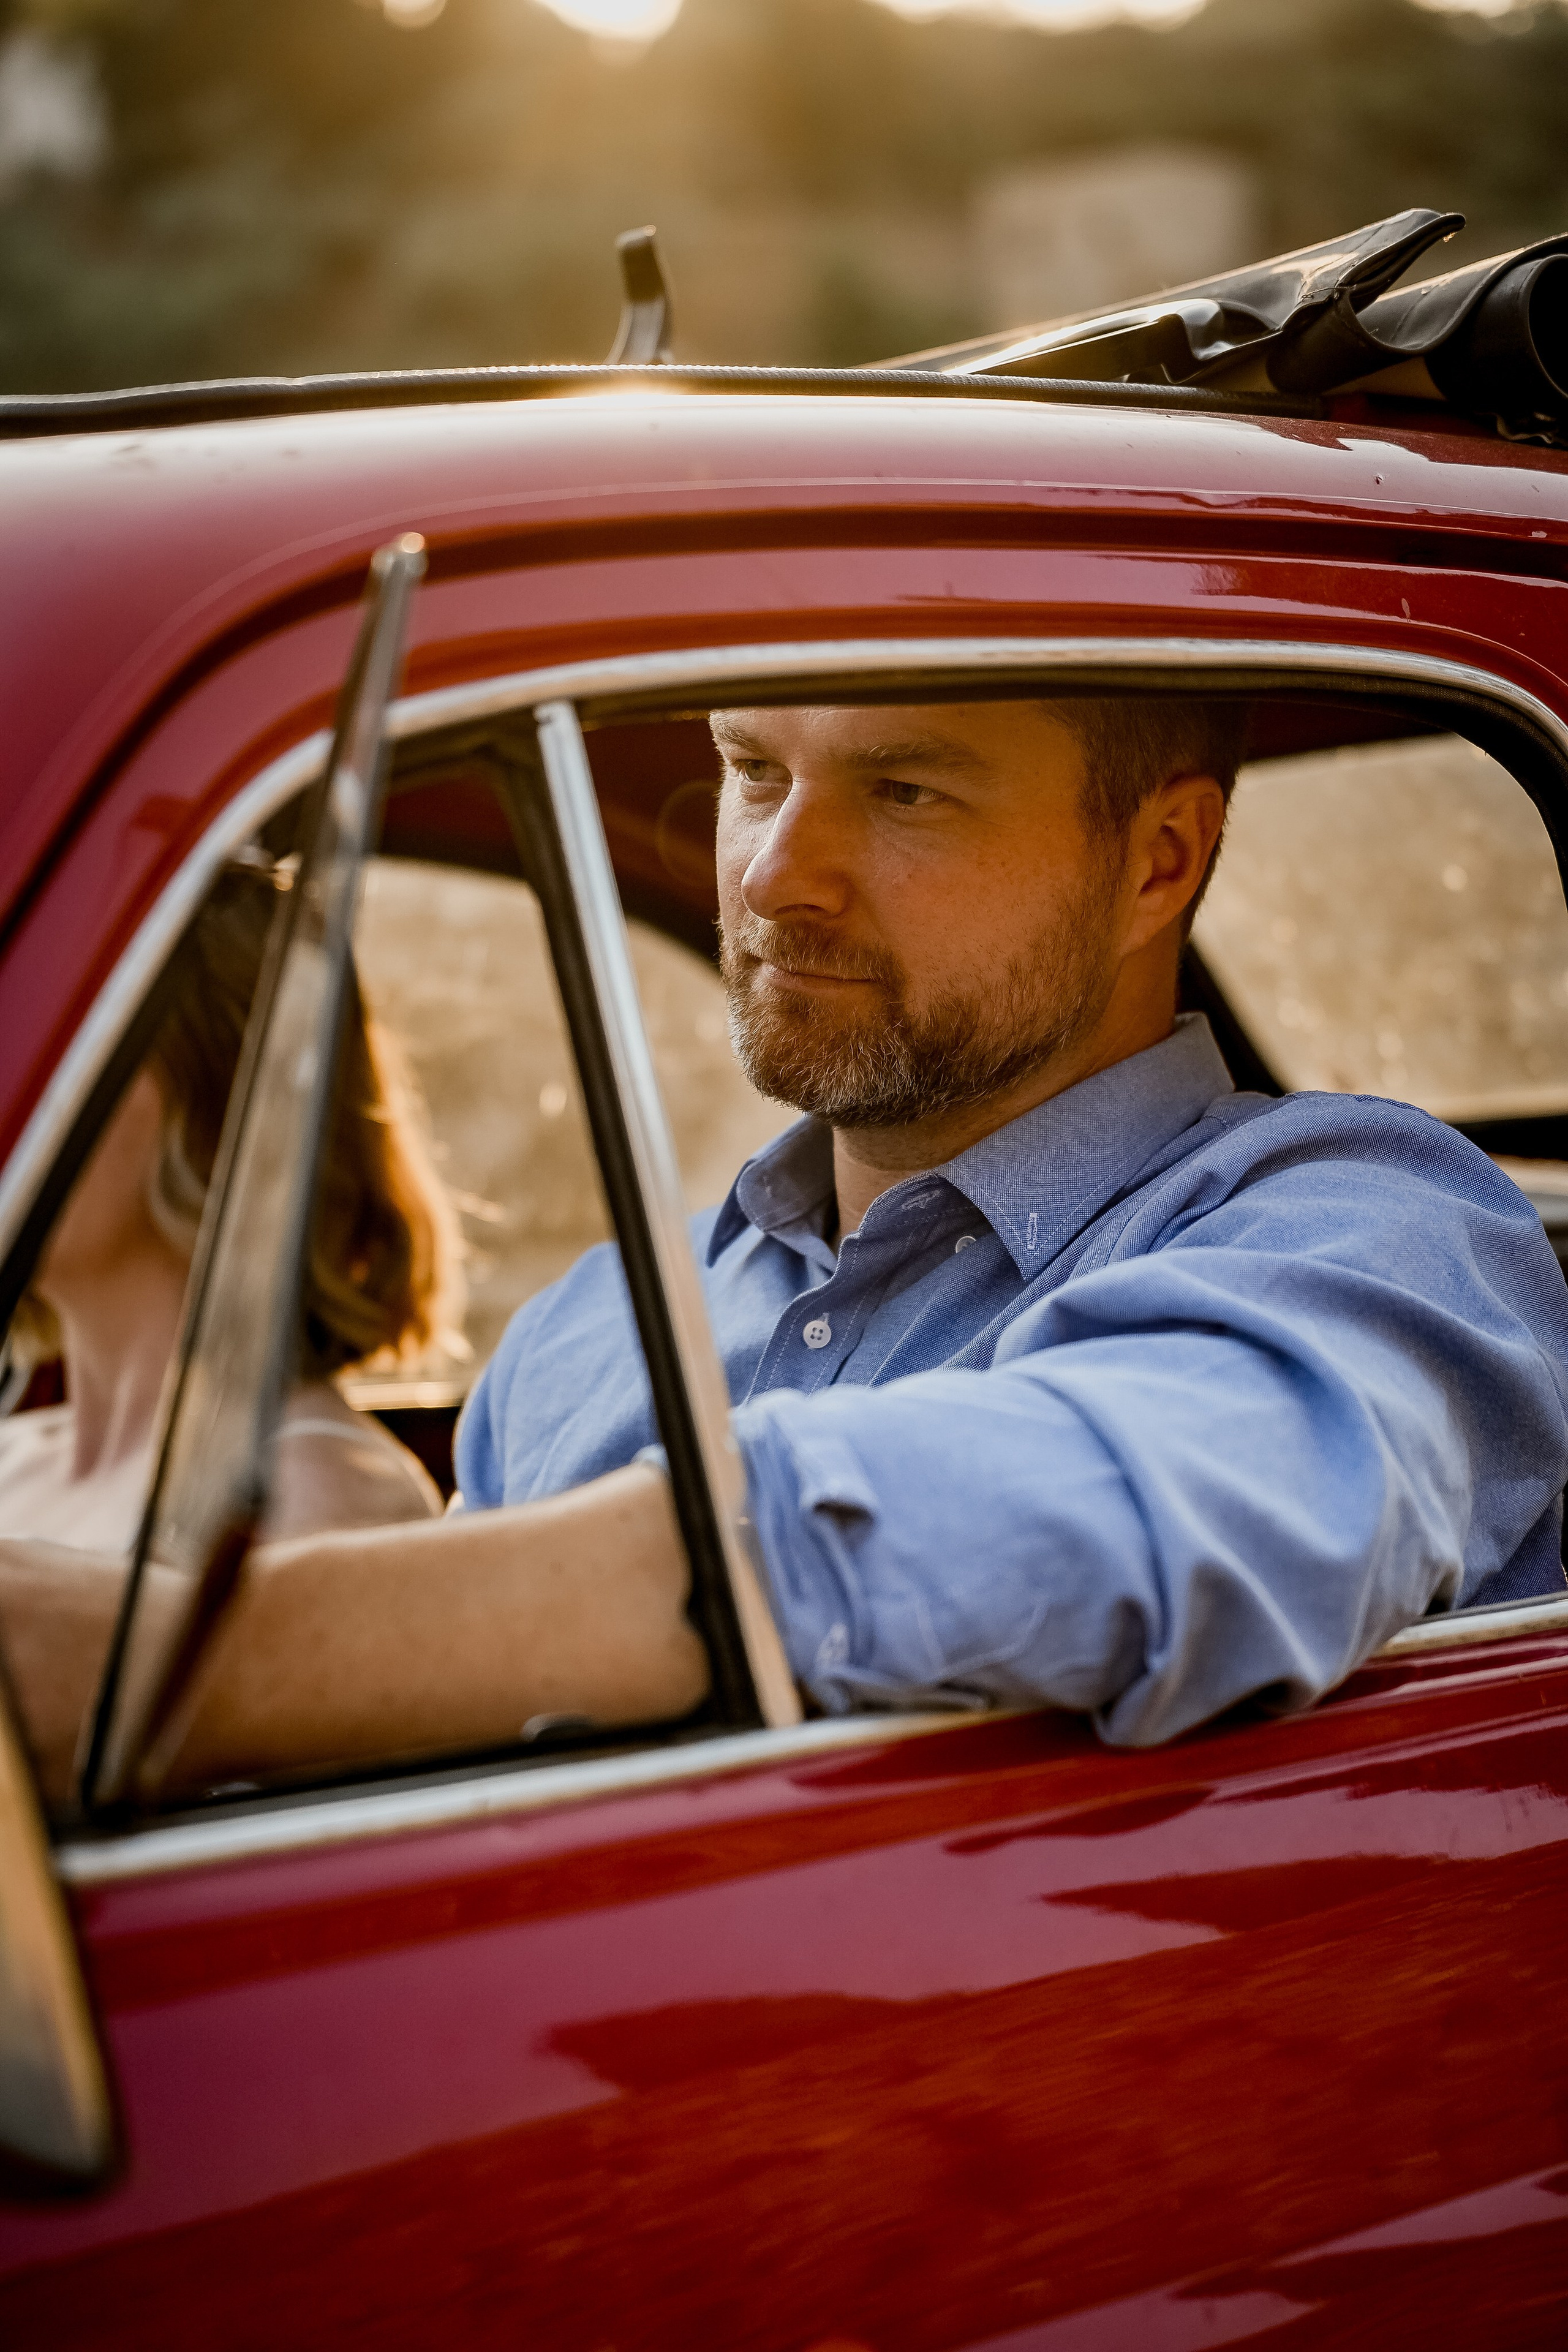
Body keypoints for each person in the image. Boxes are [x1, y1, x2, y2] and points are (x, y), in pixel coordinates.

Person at [5, 695, 1568, 1802]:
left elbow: (1123, 1515)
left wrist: (154, 1665)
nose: (767, 873)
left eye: (904, 790)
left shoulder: (1380, 1226)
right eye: (754, 767)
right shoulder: (596, 1319)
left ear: (1156, 860)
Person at [0, 862, 458, 1554]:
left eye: (65, 1043)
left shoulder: (311, 1505)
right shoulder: (15, 1458)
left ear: (220, 1104)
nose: (19, 1091)